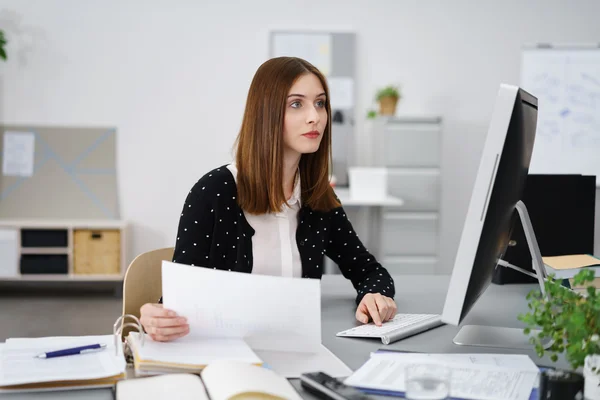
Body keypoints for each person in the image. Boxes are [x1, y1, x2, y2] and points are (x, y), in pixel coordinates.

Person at [139, 57, 397, 342]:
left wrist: (375, 294)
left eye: (320, 103)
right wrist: (156, 315)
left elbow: (368, 269)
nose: (315, 117)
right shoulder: (213, 191)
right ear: (267, 112)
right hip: (225, 352)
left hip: (297, 345)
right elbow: (179, 299)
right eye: (297, 104)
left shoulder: (317, 195)